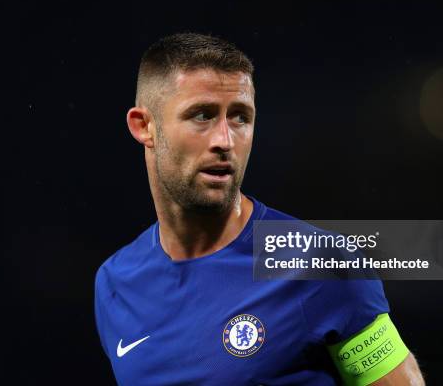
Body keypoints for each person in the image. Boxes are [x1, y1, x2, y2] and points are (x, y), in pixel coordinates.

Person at [94, 33, 425, 385]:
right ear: (145, 127)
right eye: (202, 115)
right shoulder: (115, 284)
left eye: (240, 117)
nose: (224, 140)